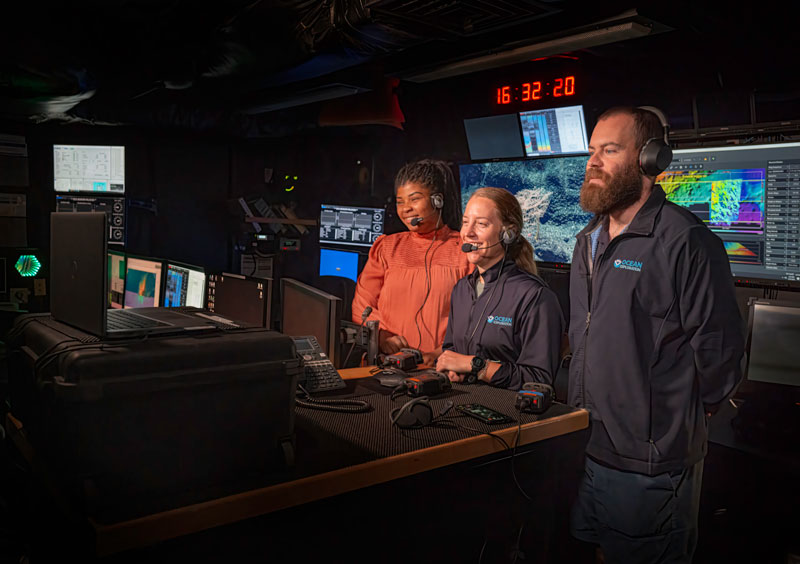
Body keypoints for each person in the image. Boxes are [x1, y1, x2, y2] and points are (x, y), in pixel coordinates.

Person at [567, 106, 745, 563]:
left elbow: (720, 353)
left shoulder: (685, 241)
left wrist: (669, 422)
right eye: (592, 151)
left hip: (649, 464)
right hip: (586, 445)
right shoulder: (587, 240)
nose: (593, 162)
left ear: (649, 159)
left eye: (609, 150)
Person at [435, 187, 563, 389]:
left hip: (511, 414)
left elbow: (537, 379)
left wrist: (475, 366)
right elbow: (451, 351)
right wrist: (454, 370)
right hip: (461, 405)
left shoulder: (535, 297)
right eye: (466, 222)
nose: (468, 233)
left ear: (508, 234)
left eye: (481, 224)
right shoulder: (462, 289)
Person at [351, 159, 472, 365]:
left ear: (437, 201)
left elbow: (476, 316)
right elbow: (363, 306)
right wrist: (382, 337)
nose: (406, 209)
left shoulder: (465, 250)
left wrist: (442, 353)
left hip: (442, 369)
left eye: (414, 199)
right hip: (386, 364)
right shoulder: (387, 247)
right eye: (400, 201)